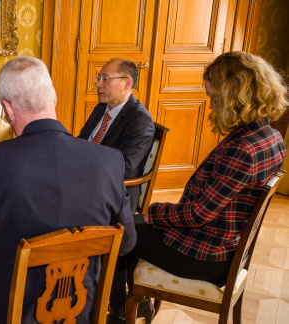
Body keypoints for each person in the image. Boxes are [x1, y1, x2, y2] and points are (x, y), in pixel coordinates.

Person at [0, 56, 137, 324]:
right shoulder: (110, 161)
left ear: (8, 109)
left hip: (6, 311)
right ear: (54, 98)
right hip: (80, 308)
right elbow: (126, 243)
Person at [107, 51, 287, 324]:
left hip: (208, 254)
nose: (212, 106)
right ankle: (134, 303)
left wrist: (151, 214)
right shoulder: (270, 136)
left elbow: (196, 215)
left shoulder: (243, 149)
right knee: (131, 227)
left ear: (235, 96)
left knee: (118, 235)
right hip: (223, 241)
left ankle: (121, 312)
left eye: (214, 98)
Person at [77, 58, 154, 212]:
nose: (98, 84)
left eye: (105, 79)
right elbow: (81, 142)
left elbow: (124, 168)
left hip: (114, 195)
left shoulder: (140, 121)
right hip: (89, 182)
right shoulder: (101, 109)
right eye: (98, 78)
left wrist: (82, 169)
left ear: (127, 83)